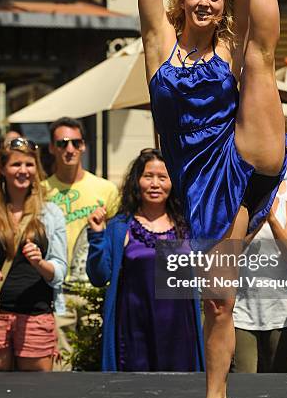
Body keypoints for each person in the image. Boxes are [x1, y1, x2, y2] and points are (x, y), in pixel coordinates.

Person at [139, 0, 287, 398]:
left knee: (260, 52)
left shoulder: (229, 45)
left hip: (241, 154)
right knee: (219, 299)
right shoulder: (161, 47)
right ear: (182, 5)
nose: (205, 2)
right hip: (198, 185)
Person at [86, 148, 204, 372]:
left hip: (180, 328)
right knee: (136, 395)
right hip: (134, 328)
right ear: (136, 181)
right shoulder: (120, 227)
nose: (155, 184)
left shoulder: (187, 227)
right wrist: (97, 236)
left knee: (180, 395)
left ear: (174, 183)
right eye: (148, 176)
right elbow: (99, 276)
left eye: (163, 177)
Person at [42, 116, 119, 369]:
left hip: (94, 289)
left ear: (84, 146)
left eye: (76, 143)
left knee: (96, 363)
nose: (70, 149)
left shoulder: (105, 189)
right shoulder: (41, 191)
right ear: (52, 147)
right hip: (55, 292)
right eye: (62, 143)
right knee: (59, 366)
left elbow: (116, 240)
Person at [0, 138, 67, 371]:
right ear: (2, 169)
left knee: (37, 395)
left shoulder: (51, 213)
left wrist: (39, 262)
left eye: (29, 165)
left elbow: (59, 272)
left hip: (35, 318)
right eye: (16, 165)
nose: (23, 171)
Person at [232, 183, 287, 373]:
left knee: (278, 384)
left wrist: (271, 218)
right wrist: (256, 224)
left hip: (281, 312)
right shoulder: (236, 209)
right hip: (242, 313)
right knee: (244, 382)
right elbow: (229, 254)